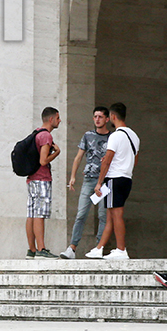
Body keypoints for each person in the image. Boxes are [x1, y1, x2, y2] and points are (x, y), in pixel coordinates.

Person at [86, 102, 139, 260]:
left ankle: (121, 249)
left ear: (113, 116)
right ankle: (99, 248)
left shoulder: (115, 135)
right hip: (126, 178)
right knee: (110, 215)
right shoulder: (134, 136)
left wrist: (99, 183)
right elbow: (134, 160)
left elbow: (107, 161)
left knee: (116, 214)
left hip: (114, 178)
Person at [60, 106, 110, 259]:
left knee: (103, 215)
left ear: (107, 119)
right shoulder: (88, 136)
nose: (97, 119)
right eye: (95, 116)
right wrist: (73, 176)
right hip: (89, 179)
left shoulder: (112, 137)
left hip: (105, 181)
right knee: (81, 214)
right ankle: (72, 248)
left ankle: (99, 247)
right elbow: (78, 157)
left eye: (100, 117)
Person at [25, 107, 62, 259]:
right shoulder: (46, 136)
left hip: (32, 179)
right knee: (39, 214)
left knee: (31, 214)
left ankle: (32, 250)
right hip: (41, 179)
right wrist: (57, 153)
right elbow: (43, 160)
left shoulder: (36, 133)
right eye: (58, 118)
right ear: (51, 119)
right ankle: (41, 249)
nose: (59, 120)